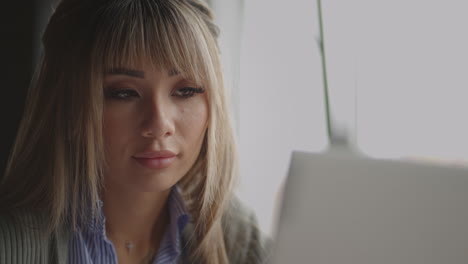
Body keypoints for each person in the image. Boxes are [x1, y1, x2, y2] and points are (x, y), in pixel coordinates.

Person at [0, 0, 271, 263]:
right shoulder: (9, 244)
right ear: (69, 106)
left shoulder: (241, 242)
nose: (159, 125)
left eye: (186, 91)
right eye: (124, 93)